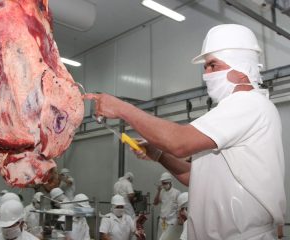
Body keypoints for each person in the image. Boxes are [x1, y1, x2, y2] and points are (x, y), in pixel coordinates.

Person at [85, 24, 285, 239]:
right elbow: (193, 177)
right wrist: (159, 155)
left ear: (240, 66)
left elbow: (179, 142)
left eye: (212, 65)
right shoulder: (232, 113)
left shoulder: (249, 104)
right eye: (205, 67)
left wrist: (122, 108)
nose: (206, 74)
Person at [153, 172, 181, 239]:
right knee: (161, 238)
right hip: (162, 221)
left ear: (170, 182)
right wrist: (158, 191)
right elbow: (155, 202)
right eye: (162, 183)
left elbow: (180, 208)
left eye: (165, 183)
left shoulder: (176, 193)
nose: (163, 185)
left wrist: (179, 220)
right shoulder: (162, 191)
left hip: (172, 222)